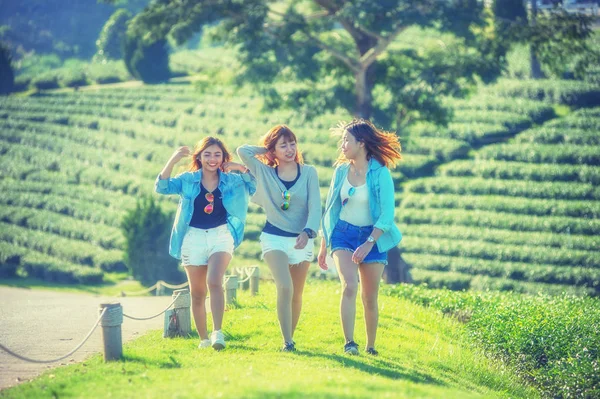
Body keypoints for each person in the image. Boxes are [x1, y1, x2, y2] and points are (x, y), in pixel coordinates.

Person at [155, 137, 256, 351]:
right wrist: (172, 160)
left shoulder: (230, 180)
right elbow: (162, 187)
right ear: (199, 157)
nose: (212, 159)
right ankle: (203, 339)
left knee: (214, 281)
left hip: (221, 235)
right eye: (207, 154)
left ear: (223, 158)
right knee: (197, 292)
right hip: (192, 238)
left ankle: (217, 332)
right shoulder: (188, 180)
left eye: (217, 154)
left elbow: (253, 185)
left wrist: (238, 167)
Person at [318, 119, 402, 356]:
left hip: (372, 237)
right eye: (342, 140)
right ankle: (349, 343)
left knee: (369, 297)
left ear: (362, 143)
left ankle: (371, 346)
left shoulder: (380, 172)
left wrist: (368, 243)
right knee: (349, 286)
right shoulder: (341, 171)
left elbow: (387, 215)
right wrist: (324, 245)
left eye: (347, 140)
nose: (342, 145)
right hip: (343, 234)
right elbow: (331, 209)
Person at [237, 125, 322, 352]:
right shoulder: (265, 172)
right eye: (283, 145)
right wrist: (265, 149)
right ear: (273, 150)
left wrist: (308, 232)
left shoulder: (309, 173)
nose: (289, 149)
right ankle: (288, 342)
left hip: (302, 239)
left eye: (292, 143)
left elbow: (315, 207)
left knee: (296, 292)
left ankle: (289, 337)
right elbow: (242, 152)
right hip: (273, 237)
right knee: (284, 286)